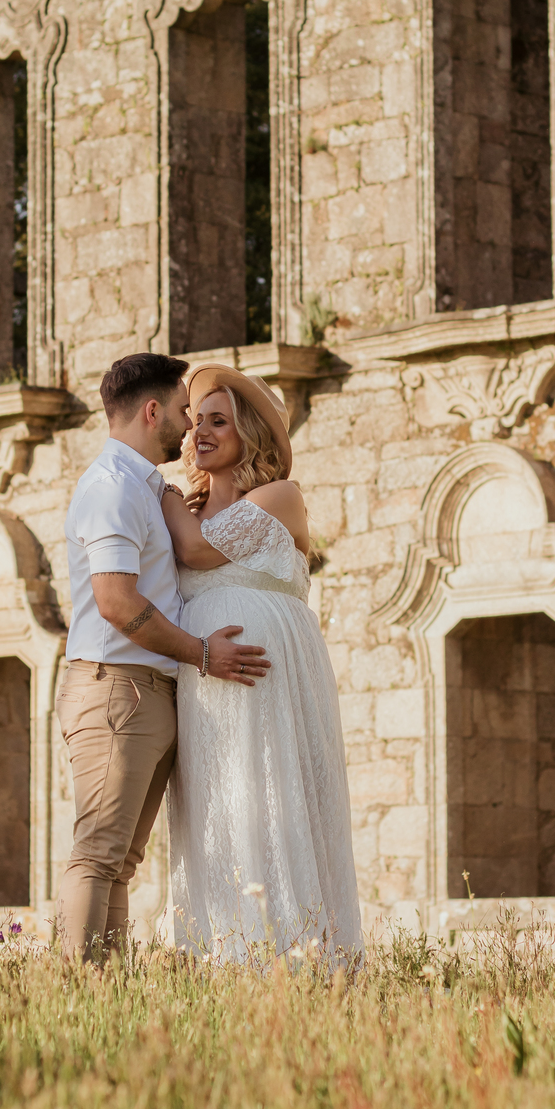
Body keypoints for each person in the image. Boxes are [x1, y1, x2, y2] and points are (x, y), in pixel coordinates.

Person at [56, 352, 270, 961]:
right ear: (152, 412)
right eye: (181, 410)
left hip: (145, 690)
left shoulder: (147, 490)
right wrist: (202, 653)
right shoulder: (111, 489)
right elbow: (118, 603)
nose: (188, 425)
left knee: (121, 860)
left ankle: (106, 994)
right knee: (99, 852)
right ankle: (74, 994)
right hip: (116, 689)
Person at [160, 365, 363, 962]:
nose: (201, 432)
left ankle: (298, 955)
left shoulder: (279, 496)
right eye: (195, 422)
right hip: (206, 687)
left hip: (268, 680)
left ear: (249, 433)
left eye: (217, 421)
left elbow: (197, 550)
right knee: (218, 806)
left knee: (275, 798)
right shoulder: (187, 508)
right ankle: (223, 953)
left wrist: (162, 492)